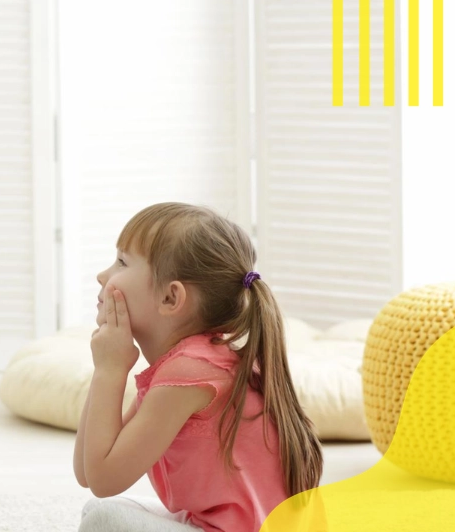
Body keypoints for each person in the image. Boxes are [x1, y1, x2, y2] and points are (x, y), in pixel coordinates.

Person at [74, 202, 323, 532]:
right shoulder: (182, 365)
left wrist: (111, 370)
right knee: (100, 511)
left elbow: (104, 478)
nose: (103, 276)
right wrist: (105, 365)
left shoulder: (190, 373)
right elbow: (87, 472)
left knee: (107, 520)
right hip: (209, 524)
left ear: (171, 298)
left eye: (122, 262)